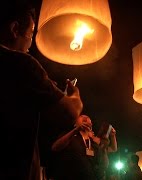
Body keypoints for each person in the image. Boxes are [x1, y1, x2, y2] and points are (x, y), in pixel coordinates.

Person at [0, 1, 83, 179]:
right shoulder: (21, 63)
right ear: (15, 29)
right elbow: (69, 112)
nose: (30, 44)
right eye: (30, 34)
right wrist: (74, 96)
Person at [51, 115, 99, 180]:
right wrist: (75, 130)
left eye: (87, 118)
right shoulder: (70, 136)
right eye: (82, 117)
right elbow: (55, 147)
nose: (85, 118)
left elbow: (99, 164)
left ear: (91, 124)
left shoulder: (93, 142)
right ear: (75, 124)